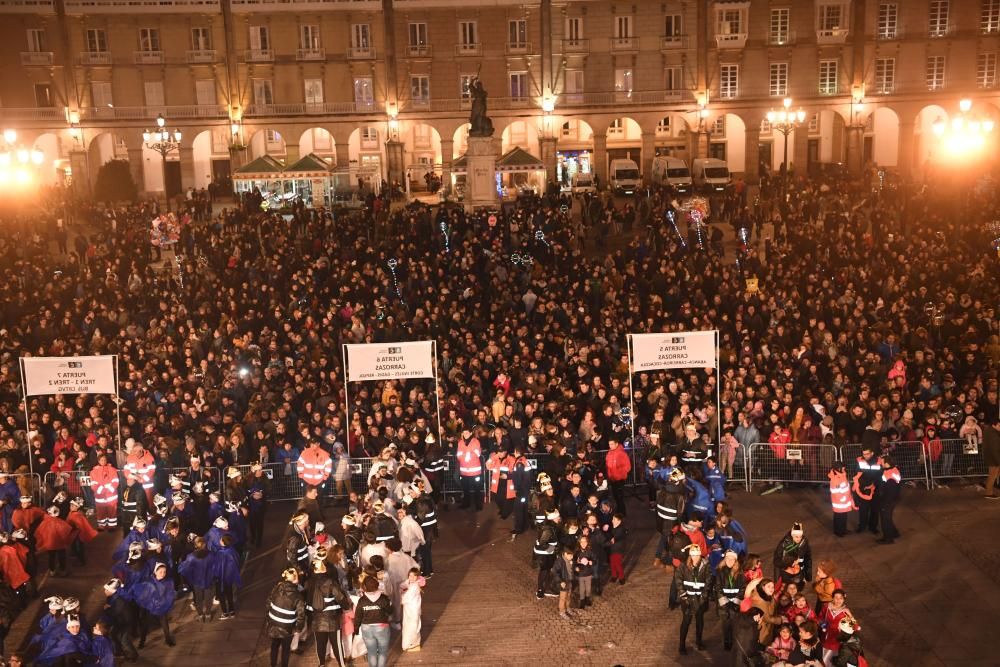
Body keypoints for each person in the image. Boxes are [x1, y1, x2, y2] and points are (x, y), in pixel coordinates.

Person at [306, 554, 350, 667]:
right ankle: (341, 664)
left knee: (320, 644)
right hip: (332, 619)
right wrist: (346, 607)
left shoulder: (309, 583)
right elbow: (340, 597)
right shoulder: (330, 582)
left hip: (317, 619)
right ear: (323, 569)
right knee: (336, 644)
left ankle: (321, 664)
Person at [672, 543, 711, 654]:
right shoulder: (683, 566)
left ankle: (699, 641)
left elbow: (708, 581)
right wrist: (683, 595)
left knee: (699, 621)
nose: (695, 558)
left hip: (700, 598)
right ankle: (682, 644)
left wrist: (704, 596)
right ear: (690, 555)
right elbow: (678, 580)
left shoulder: (705, 565)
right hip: (688, 599)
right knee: (686, 621)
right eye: (693, 555)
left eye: (697, 555)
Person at [266, 567, 306, 667]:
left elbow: (268, 603)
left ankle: (273, 665)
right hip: (287, 627)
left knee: (274, 646)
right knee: (285, 649)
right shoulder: (298, 596)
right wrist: (298, 629)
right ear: (295, 579)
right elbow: (301, 615)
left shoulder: (276, 588)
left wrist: (269, 618)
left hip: (274, 624)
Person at [353, 575, 393, 667]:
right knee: (382, 652)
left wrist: (356, 628)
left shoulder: (362, 600)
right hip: (382, 627)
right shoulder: (383, 598)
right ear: (376, 586)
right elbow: (390, 611)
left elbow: (358, 616)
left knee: (371, 652)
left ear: (364, 587)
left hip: (366, 628)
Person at [178, 537, 216, 622]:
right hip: (208, 579)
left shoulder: (191, 557)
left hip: (196, 581)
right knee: (208, 598)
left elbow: (185, 569)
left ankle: (200, 614)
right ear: (205, 544)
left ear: (195, 545)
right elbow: (215, 566)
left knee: (198, 598)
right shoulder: (211, 555)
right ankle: (208, 614)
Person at [713, 548, 743, 651]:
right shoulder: (720, 572)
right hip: (724, 604)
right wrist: (725, 602)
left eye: (732, 559)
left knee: (734, 624)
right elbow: (718, 588)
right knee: (725, 624)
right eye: (728, 559)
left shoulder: (740, 573)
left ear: (735, 561)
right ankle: (727, 642)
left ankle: (735, 642)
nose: (730, 561)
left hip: (735, 603)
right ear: (725, 560)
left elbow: (742, 588)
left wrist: (736, 602)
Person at [852, 446, 881, 532]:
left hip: (875, 488)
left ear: (872, 453)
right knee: (863, 509)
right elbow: (856, 474)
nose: (865, 456)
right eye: (863, 454)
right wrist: (864, 485)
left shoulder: (879, 461)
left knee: (874, 509)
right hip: (863, 488)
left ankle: (873, 527)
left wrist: (873, 484)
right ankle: (862, 526)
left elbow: (880, 475)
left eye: (867, 454)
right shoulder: (859, 460)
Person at [89, 452, 120, 531]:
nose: (103, 461)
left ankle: (112, 526)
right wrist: (103, 490)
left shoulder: (112, 470)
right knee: (101, 511)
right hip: (100, 496)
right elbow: (93, 484)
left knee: (112, 511)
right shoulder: (93, 472)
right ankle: (101, 526)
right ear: (98, 461)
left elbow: (115, 481)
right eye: (101, 460)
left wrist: (107, 489)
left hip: (111, 496)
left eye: (104, 460)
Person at [533, 509, 560, 599]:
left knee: (547, 571)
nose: (559, 518)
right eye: (557, 517)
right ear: (553, 518)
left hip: (547, 553)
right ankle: (540, 590)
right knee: (544, 571)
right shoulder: (548, 529)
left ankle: (546, 588)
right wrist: (553, 548)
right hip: (544, 554)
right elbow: (542, 543)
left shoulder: (551, 526)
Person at [214, 534, 242, 619]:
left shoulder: (221, 553)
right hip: (229, 578)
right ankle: (232, 611)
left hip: (221, 578)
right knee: (229, 594)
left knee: (222, 596)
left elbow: (218, 567)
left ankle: (225, 613)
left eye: (221, 539)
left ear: (223, 542)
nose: (219, 541)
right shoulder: (232, 550)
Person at [456, 429, 483, 511]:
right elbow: (458, 455)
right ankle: (466, 504)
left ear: (471, 433)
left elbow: (477, 453)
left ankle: (478, 505)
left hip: (475, 471)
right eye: (463, 432)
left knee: (477, 489)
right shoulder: (460, 442)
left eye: (467, 432)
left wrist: (466, 453)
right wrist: (468, 453)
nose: (465, 434)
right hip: (464, 471)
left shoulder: (476, 441)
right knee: (465, 489)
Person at [400, 566, 425, 652]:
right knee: (409, 626)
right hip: (409, 609)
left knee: (412, 627)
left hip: (412, 610)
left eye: (414, 576)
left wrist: (402, 594)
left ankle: (413, 644)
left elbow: (405, 598)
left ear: (417, 577)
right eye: (410, 575)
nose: (411, 578)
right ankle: (411, 644)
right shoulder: (411, 583)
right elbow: (403, 585)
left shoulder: (414, 587)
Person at [877, 455, 901, 544]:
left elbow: (889, 491)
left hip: (887, 501)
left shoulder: (889, 475)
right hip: (892, 499)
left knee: (885, 519)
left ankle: (888, 538)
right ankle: (894, 533)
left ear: (886, 464)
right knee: (888, 518)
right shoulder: (893, 470)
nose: (880, 463)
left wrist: (883, 502)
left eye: (882, 462)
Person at [827, 463, 855, 537]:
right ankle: (839, 532)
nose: (844, 469)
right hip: (840, 502)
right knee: (839, 517)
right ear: (838, 469)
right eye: (842, 468)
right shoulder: (835, 478)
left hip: (843, 501)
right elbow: (835, 491)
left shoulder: (841, 475)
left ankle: (842, 530)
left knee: (843, 517)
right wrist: (844, 497)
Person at [604, 439, 631, 515]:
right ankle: (619, 511)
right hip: (612, 479)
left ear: (616, 444)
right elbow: (608, 465)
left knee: (619, 497)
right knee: (616, 496)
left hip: (619, 479)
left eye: (612, 444)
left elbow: (628, 467)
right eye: (609, 444)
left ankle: (622, 513)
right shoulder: (609, 453)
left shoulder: (622, 453)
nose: (610, 446)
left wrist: (619, 473)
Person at [554, 547, 576, 619]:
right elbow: (555, 572)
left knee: (568, 596)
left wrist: (574, 567)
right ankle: (562, 611)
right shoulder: (560, 561)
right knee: (563, 598)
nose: (572, 557)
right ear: (565, 554)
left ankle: (567, 608)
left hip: (569, 581)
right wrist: (560, 581)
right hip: (563, 582)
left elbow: (570, 570)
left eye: (572, 555)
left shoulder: (570, 560)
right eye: (570, 555)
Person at [608, 512, 627, 585]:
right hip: (613, 549)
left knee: (618, 564)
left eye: (614, 519)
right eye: (613, 519)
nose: (612, 520)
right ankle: (614, 576)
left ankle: (621, 577)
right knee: (612, 564)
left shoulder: (621, 529)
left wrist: (614, 539)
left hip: (618, 549)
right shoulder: (613, 527)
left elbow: (618, 536)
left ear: (619, 521)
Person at [985, 419, 1000, 500]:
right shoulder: (993, 434)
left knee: (993, 475)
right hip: (994, 459)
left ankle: (989, 489)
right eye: (999, 425)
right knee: (992, 476)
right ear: (994, 425)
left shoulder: (991, 432)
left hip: (993, 458)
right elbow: (995, 449)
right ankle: (989, 493)